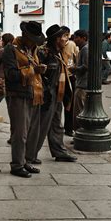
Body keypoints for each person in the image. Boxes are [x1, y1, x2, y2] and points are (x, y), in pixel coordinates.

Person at [2, 21, 46, 178]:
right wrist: (33, 70)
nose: (35, 43)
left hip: (34, 93)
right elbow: (11, 74)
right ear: (26, 36)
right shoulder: (11, 49)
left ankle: (26, 160)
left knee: (31, 131)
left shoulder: (31, 49)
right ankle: (17, 165)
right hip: (18, 94)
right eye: (33, 39)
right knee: (20, 133)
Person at [32, 25, 77, 164]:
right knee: (42, 125)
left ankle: (59, 151)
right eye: (64, 37)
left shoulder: (59, 52)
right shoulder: (43, 52)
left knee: (57, 124)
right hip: (46, 94)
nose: (66, 39)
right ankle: (31, 154)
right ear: (57, 39)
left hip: (58, 92)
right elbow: (35, 72)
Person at [61, 28, 79, 137]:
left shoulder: (71, 45)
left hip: (69, 76)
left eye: (65, 35)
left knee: (69, 105)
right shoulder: (56, 45)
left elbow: (77, 57)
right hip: (60, 76)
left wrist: (74, 69)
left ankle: (68, 128)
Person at [70, 30, 89, 132]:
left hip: (82, 84)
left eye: (77, 38)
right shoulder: (84, 49)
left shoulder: (85, 49)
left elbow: (86, 66)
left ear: (83, 38)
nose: (75, 40)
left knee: (79, 110)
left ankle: (80, 131)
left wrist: (74, 69)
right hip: (83, 83)